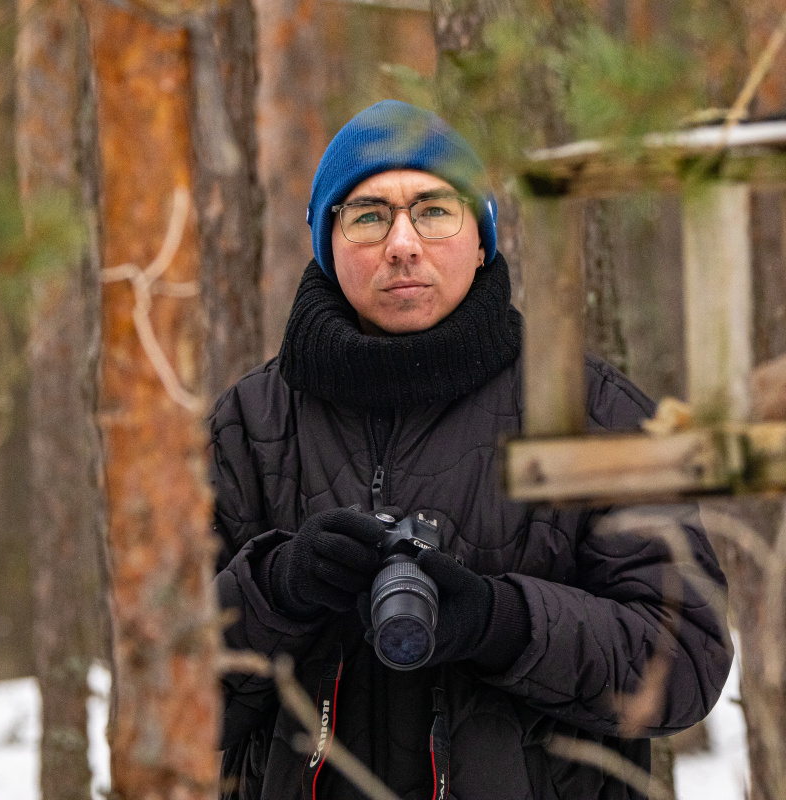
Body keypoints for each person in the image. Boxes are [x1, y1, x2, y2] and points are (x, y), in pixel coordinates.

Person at [210, 99, 733, 800]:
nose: (403, 243)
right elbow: (167, 692)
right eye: (368, 215)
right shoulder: (249, 424)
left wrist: (503, 624)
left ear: (482, 238)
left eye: (433, 210)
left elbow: (687, 661)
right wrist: (277, 587)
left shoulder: (590, 412)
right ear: (327, 244)